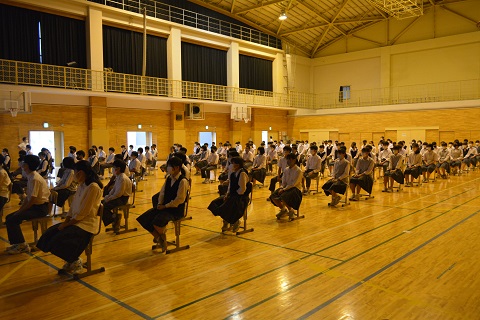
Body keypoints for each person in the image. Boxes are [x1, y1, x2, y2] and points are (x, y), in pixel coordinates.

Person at [36, 160, 103, 274]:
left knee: (58, 238)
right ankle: (71, 260)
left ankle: (75, 261)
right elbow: (72, 208)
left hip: (86, 225)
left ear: (80, 173)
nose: (74, 176)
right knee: (48, 235)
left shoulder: (93, 187)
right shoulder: (82, 185)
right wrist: (65, 222)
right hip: (75, 221)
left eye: (75, 173)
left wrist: (66, 225)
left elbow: (83, 213)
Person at [136, 157, 189, 251]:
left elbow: (179, 200)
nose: (167, 168)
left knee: (157, 221)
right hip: (165, 207)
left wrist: (165, 206)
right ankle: (160, 238)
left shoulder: (183, 181)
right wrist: (160, 204)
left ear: (176, 168)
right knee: (144, 219)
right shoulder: (169, 178)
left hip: (175, 210)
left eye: (169, 166)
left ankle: (161, 237)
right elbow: (162, 192)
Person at [5, 155, 50, 254]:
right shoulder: (31, 176)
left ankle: (22, 246)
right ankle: (18, 243)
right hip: (34, 206)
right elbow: (28, 198)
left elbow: (32, 200)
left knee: (13, 219)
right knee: (9, 217)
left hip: (40, 208)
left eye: (23, 163)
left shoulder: (35, 178)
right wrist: (21, 209)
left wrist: (20, 211)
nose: (21, 164)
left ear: (27, 165)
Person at [208, 157, 251, 232]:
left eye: (232, 164)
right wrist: (227, 195)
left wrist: (232, 196)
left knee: (226, 206)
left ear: (237, 165)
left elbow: (242, 189)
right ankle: (230, 221)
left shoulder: (242, 173)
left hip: (241, 197)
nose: (230, 165)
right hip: (232, 195)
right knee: (215, 203)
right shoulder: (233, 174)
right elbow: (230, 186)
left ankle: (233, 221)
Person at [269, 153, 303, 220]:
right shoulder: (286, 170)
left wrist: (284, 189)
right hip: (286, 188)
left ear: (294, 160)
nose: (288, 161)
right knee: (273, 196)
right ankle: (283, 209)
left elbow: (294, 184)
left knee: (283, 196)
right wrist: (281, 187)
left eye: (290, 159)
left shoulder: (298, 171)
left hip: (295, 189)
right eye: (288, 159)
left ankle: (291, 210)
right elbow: (283, 181)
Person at [101, 160, 132, 228]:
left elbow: (118, 194)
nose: (113, 170)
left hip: (123, 199)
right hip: (118, 197)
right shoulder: (119, 177)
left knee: (104, 206)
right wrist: (107, 196)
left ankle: (115, 218)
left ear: (118, 169)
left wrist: (109, 199)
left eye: (114, 168)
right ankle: (114, 218)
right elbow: (114, 190)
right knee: (100, 204)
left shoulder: (123, 178)